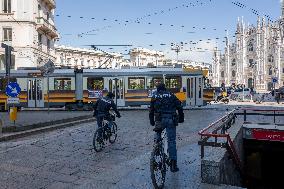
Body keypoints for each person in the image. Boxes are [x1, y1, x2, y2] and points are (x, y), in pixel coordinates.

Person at [149, 83, 184, 172]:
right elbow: (179, 107)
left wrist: (152, 122)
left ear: (157, 89)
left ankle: (157, 149)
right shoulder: (171, 95)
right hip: (170, 120)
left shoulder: (155, 96)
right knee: (171, 141)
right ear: (165, 89)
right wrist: (181, 118)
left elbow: (151, 110)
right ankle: (173, 164)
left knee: (157, 133)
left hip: (159, 120)